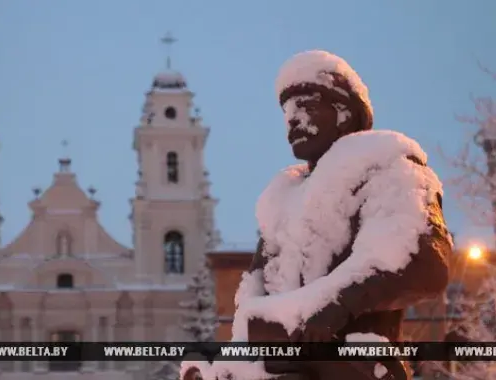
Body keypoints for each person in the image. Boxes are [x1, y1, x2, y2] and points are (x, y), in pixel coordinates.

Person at [180, 50, 451, 380]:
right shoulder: (282, 198)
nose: (292, 118)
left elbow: (424, 261)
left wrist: (335, 304)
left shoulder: (389, 168)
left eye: (306, 104)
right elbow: (256, 294)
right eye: (287, 110)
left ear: (343, 114)